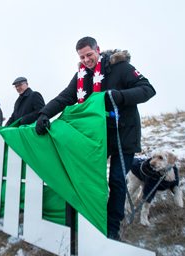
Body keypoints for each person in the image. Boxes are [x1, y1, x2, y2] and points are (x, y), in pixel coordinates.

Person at [35, 36, 156, 240]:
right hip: (96, 137)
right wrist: (44, 114)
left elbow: (148, 89)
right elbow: (65, 97)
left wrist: (119, 96)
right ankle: (92, 218)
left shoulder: (121, 67)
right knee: (90, 178)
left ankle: (111, 228)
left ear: (97, 49)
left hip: (123, 133)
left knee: (117, 180)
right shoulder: (81, 75)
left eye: (89, 55)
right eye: (82, 57)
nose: (86, 60)